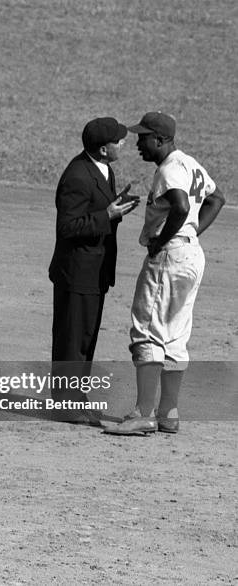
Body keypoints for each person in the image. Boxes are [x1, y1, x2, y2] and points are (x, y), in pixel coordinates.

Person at [104, 112, 225, 435]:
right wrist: (192, 232)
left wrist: (162, 239)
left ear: (160, 140)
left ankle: (144, 413)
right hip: (191, 255)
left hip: (170, 258)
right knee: (175, 334)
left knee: (147, 330)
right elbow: (216, 198)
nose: (138, 143)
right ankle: (168, 413)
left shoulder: (170, 168)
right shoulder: (190, 163)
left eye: (143, 138)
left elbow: (181, 206)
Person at [48, 117, 139, 424]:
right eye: (118, 141)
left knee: (85, 339)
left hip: (95, 271)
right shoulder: (77, 175)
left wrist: (116, 208)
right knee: (72, 341)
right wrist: (107, 214)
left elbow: (96, 212)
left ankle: (77, 398)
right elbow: (68, 227)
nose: (123, 144)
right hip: (76, 273)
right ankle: (64, 405)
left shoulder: (104, 170)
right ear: (103, 149)